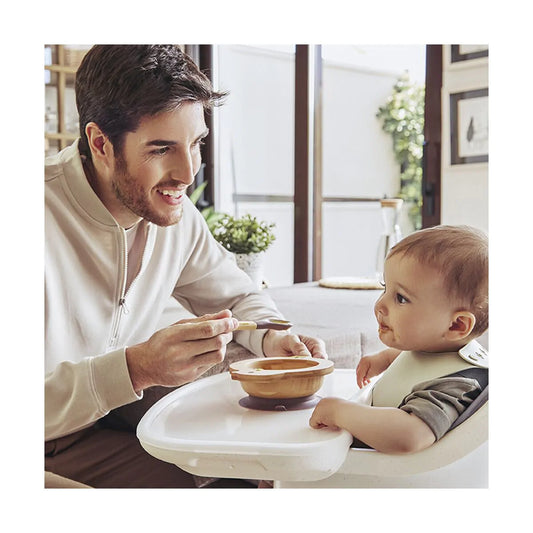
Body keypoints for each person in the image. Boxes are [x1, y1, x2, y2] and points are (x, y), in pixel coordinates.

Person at [45, 45, 327, 488]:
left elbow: (237, 294)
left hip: (96, 429)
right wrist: (136, 368)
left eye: (196, 143)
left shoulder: (172, 214)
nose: (188, 173)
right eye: (162, 149)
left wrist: (273, 337)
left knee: (241, 470)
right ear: (100, 143)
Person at [309, 225, 488, 453]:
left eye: (401, 298)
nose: (379, 304)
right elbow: (423, 359)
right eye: (385, 288)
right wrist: (385, 359)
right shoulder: (439, 347)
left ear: (457, 325)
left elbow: (410, 436)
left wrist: (339, 411)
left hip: (382, 472)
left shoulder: (458, 384)